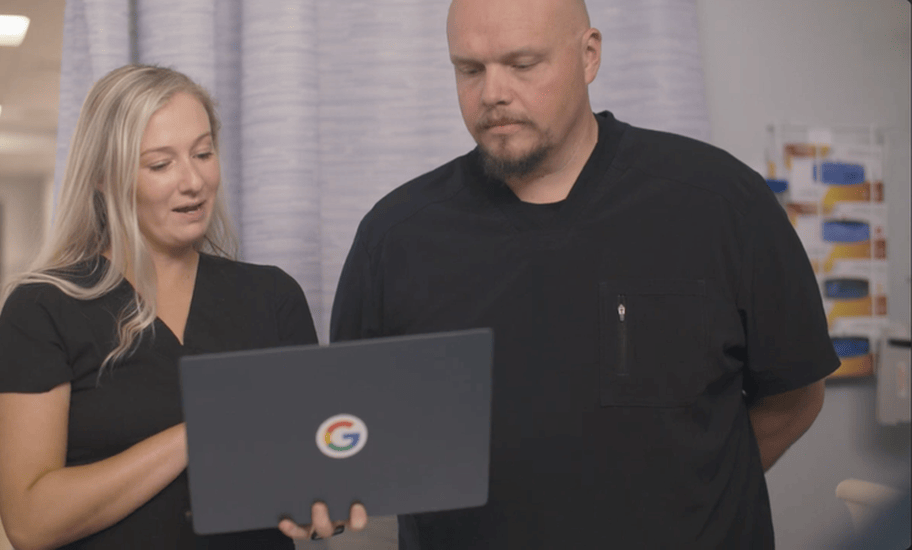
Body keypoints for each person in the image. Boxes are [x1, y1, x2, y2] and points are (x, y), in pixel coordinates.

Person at [330, 0, 838, 548]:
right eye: (470, 69)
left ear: (589, 55)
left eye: (523, 64)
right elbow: (350, 427)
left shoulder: (721, 202)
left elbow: (794, 394)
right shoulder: (395, 236)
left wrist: (691, 502)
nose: (493, 92)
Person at [0, 64, 365, 550]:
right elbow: (31, 522)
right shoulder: (42, 309)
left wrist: (325, 500)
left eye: (203, 153)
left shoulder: (271, 297)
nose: (194, 181)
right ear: (103, 177)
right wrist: (200, 433)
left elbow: (311, 473)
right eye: (161, 164)